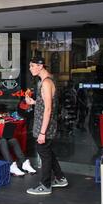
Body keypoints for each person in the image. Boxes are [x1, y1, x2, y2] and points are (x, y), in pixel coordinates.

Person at [25, 56, 68, 195]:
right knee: (47, 151)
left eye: (32, 66)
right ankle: (60, 178)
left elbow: (49, 108)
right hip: (44, 123)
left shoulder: (46, 83)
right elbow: (45, 103)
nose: (30, 68)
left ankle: (45, 185)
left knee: (43, 152)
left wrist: (42, 132)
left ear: (40, 66)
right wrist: (34, 102)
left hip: (45, 125)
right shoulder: (47, 80)